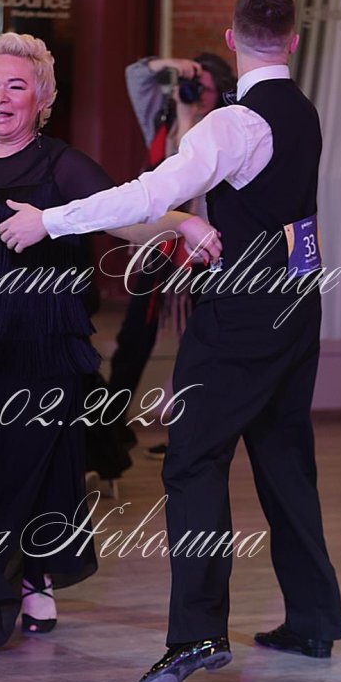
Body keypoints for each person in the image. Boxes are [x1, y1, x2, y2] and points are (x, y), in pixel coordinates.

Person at [0, 0, 341, 682]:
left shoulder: (235, 123)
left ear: (232, 37)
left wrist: (50, 220)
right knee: (284, 458)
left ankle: (196, 635)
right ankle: (312, 620)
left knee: (191, 461)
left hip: (239, 315)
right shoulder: (304, 112)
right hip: (297, 304)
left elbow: (149, 195)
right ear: (293, 41)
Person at [0, 32, 214, 659]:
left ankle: (31, 579)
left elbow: (126, 216)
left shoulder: (61, 165)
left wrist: (182, 221)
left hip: (37, 343)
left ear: (42, 100)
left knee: (27, 469)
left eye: (15, 86)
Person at [112, 53, 236, 456]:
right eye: (192, 86)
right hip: (160, 247)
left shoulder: (225, 132)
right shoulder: (162, 122)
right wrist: (172, 64)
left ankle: (189, 433)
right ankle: (107, 430)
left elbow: (187, 180)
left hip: (203, 252)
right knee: (134, 337)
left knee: (199, 345)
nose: (196, 95)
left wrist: (188, 118)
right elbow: (134, 74)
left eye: (205, 89)